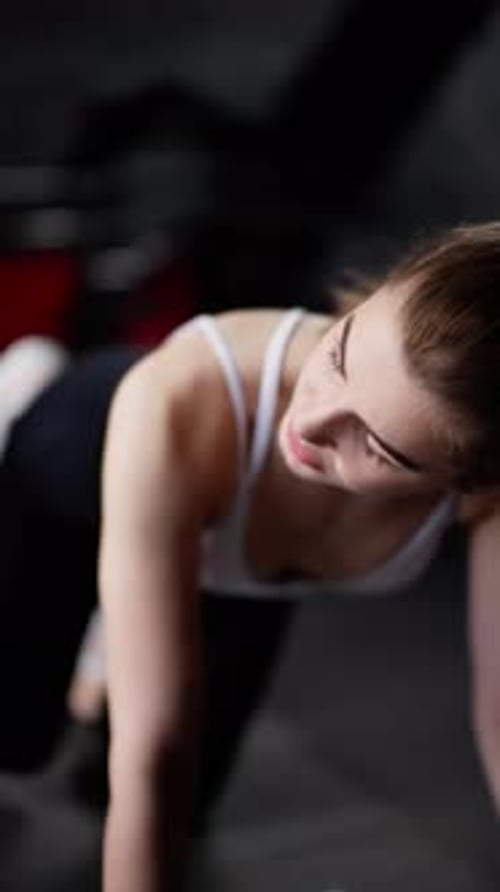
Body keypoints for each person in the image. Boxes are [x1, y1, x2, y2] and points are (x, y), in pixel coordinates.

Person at [3, 222, 500, 891]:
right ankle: (23, 388)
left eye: (377, 446)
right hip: (81, 461)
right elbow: (154, 748)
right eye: (339, 353)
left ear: (474, 480)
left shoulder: (484, 489)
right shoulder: (179, 394)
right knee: (21, 735)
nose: (310, 421)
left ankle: (119, 637)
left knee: (186, 797)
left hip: (247, 562)